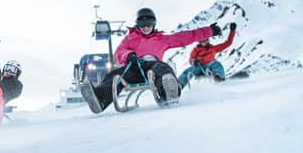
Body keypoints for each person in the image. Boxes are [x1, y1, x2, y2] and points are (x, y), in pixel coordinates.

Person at [79, 7, 218, 113]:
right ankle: (100, 98)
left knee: (163, 68)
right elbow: (118, 53)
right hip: (133, 69)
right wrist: (128, 55)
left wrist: (209, 31)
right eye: (142, 23)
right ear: (138, 24)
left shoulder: (162, 39)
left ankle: (169, 93)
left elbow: (185, 37)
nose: (146, 27)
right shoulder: (130, 38)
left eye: (149, 23)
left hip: (153, 68)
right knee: (115, 75)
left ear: (154, 24)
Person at [177, 22, 237, 88]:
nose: (203, 42)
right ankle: (179, 84)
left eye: (204, 41)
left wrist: (232, 31)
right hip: (199, 67)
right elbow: (191, 59)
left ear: (207, 40)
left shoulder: (213, 48)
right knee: (188, 71)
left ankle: (219, 78)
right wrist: (194, 61)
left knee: (217, 65)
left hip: (210, 65)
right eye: (201, 41)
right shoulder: (196, 50)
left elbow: (227, 43)